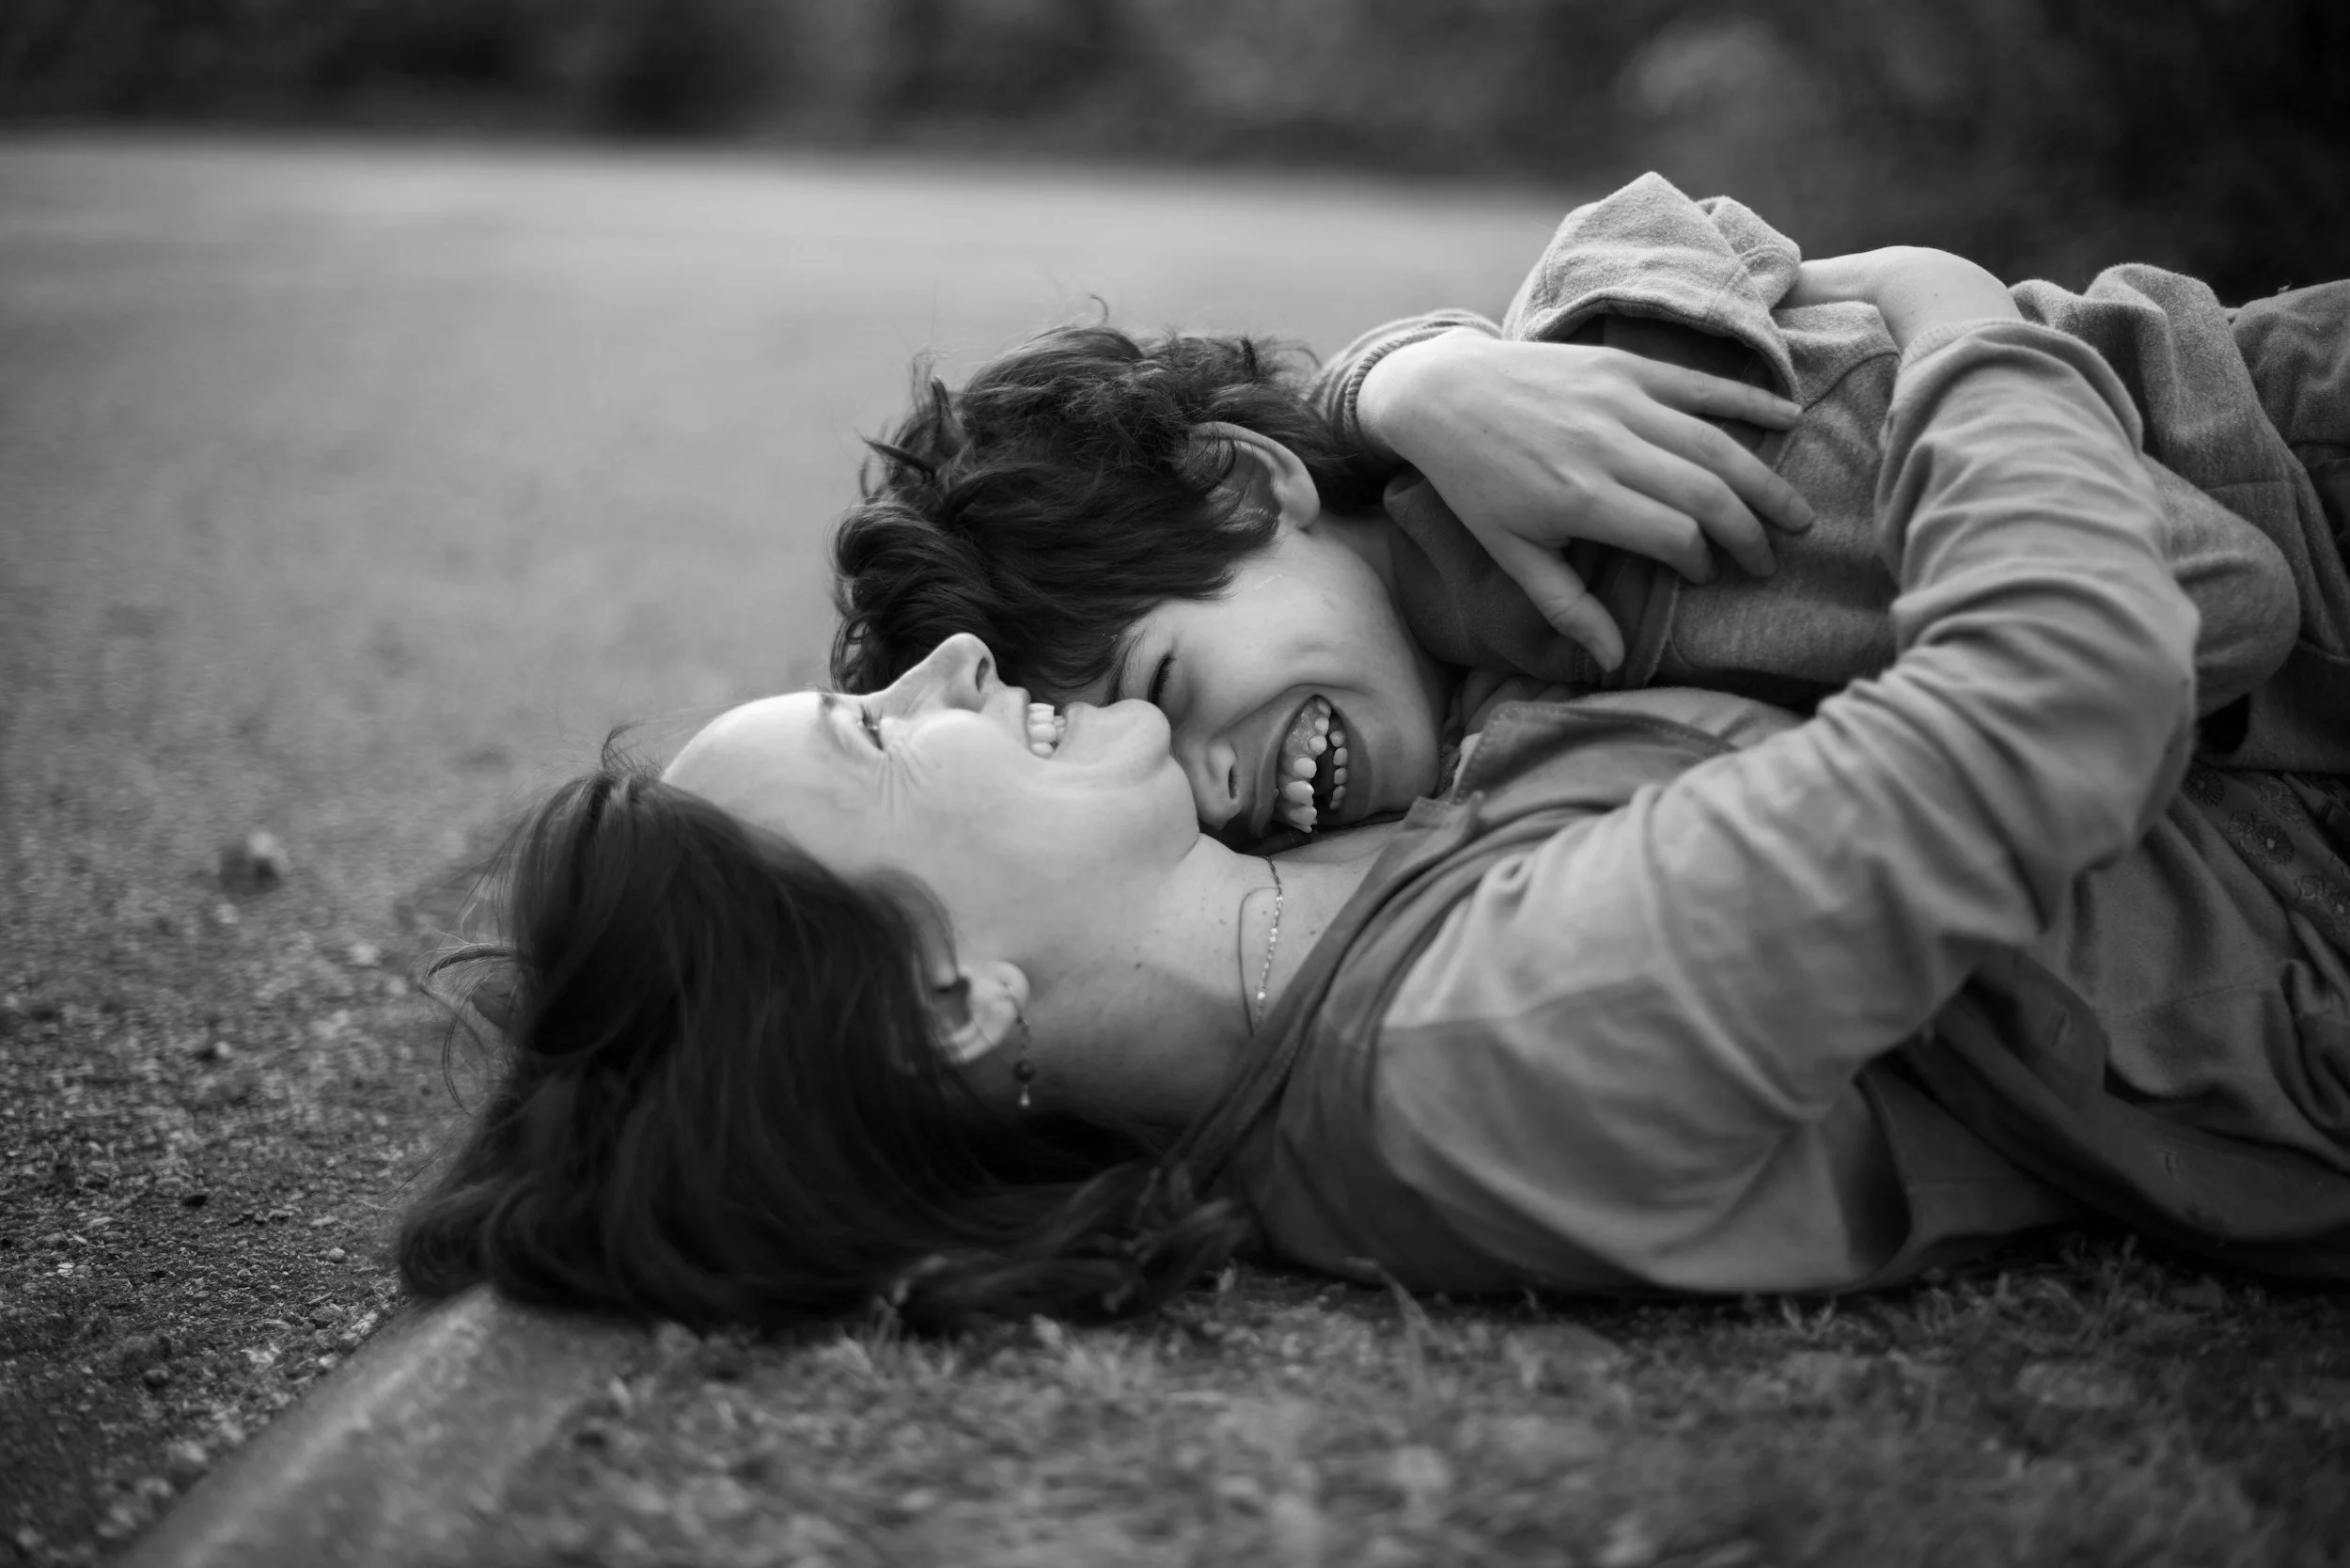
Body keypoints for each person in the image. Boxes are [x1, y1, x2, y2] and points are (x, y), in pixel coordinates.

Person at [400, 276, 2350, 1335]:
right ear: (947, 1001)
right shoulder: (1480, 1036)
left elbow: (1291, 531)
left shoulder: (1278, 912)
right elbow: (2058, 695)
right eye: (883, 739)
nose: (956, 676)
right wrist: (1950, 318)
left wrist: (1408, 376)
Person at [832, 174, 2350, 840]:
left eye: (1161, 684)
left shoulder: (1659, 493)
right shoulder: (1500, 676)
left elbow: (2207, 606)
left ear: (1251, 487)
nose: (1202, 793)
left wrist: (1406, 373)